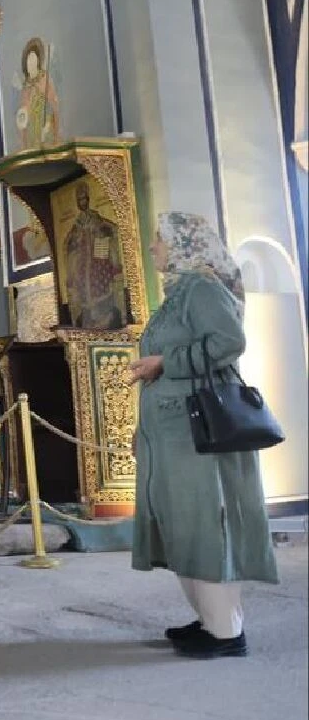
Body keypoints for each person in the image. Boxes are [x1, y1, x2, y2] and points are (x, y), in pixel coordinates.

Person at [127, 212, 277, 659]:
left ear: (184, 243)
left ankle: (227, 634)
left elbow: (229, 342)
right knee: (182, 525)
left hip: (199, 430)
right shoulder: (178, 293)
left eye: (159, 239)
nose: (153, 247)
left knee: (206, 525)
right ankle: (211, 622)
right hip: (171, 430)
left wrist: (164, 363)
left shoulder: (202, 288)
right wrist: (144, 430)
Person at [62, 181, 127, 329]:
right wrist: (76, 241)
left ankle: (107, 318)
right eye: (79, 200)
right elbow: (68, 243)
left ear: (88, 199)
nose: (82, 202)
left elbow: (111, 228)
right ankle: (90, 321)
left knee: (101, 288)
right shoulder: (77, 223)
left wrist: (98, 231)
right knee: (84, 291)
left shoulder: (96, 218)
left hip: (98, 261)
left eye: (84, 198)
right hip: (83, 264)